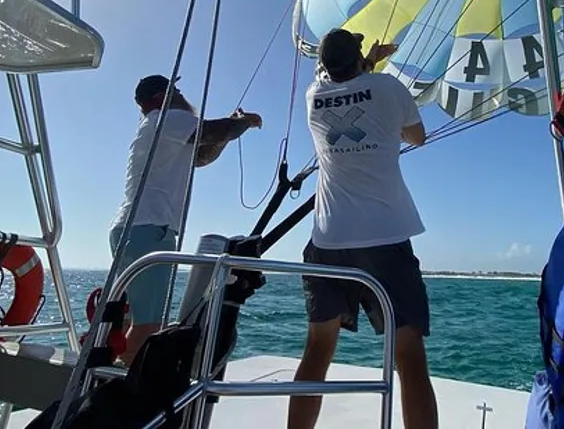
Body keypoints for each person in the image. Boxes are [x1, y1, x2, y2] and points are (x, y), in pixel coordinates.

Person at [288, 29, 438, 429]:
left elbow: (342, 78)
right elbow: (417, 137)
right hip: (386, 239)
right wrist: (374, 67)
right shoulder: (389, 88)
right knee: (408, 355)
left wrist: (366, 62)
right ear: (358, 58)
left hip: (328, 240)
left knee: (318, 348)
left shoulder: (313, 97)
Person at [108, 74, 262, 366]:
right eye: (175, 90)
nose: (180, 94)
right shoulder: (168, 118)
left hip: (134, 230)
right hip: (149, 230)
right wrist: (244, 121)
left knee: (140, 319)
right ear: (161, 96)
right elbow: (217, 131)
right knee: (147, 327)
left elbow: (201, 156)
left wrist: (230, 127)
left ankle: (120, 384)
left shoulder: (155, 127)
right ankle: (126, 396)